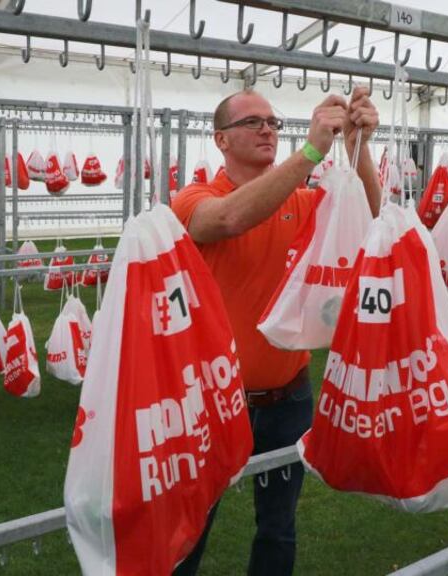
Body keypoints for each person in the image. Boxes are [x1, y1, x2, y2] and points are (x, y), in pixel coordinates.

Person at [170, 87, 382, 575]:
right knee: (189, 526)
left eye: (273, 121)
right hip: (212, 401)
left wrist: (356, 146)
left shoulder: (301, 200)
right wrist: (310, 152)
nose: (268, 128)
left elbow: (368, 215)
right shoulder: (195, 197)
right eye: (253, 122)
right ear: (220, 139)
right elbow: (229, 218)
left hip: (287, 398)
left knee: (278, 526)